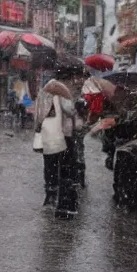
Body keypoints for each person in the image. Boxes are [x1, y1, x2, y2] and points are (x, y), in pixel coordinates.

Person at [33, 66, 83, 218]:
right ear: (66, 78)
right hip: (63, 134)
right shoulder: (61, 91)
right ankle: (62, 197)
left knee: (49, 163)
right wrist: (75, 107)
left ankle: (50, 191)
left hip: (47, 133)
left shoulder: (45, 89)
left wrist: (38, 128)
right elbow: (69, 110)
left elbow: (38, 112)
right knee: (66, 165)